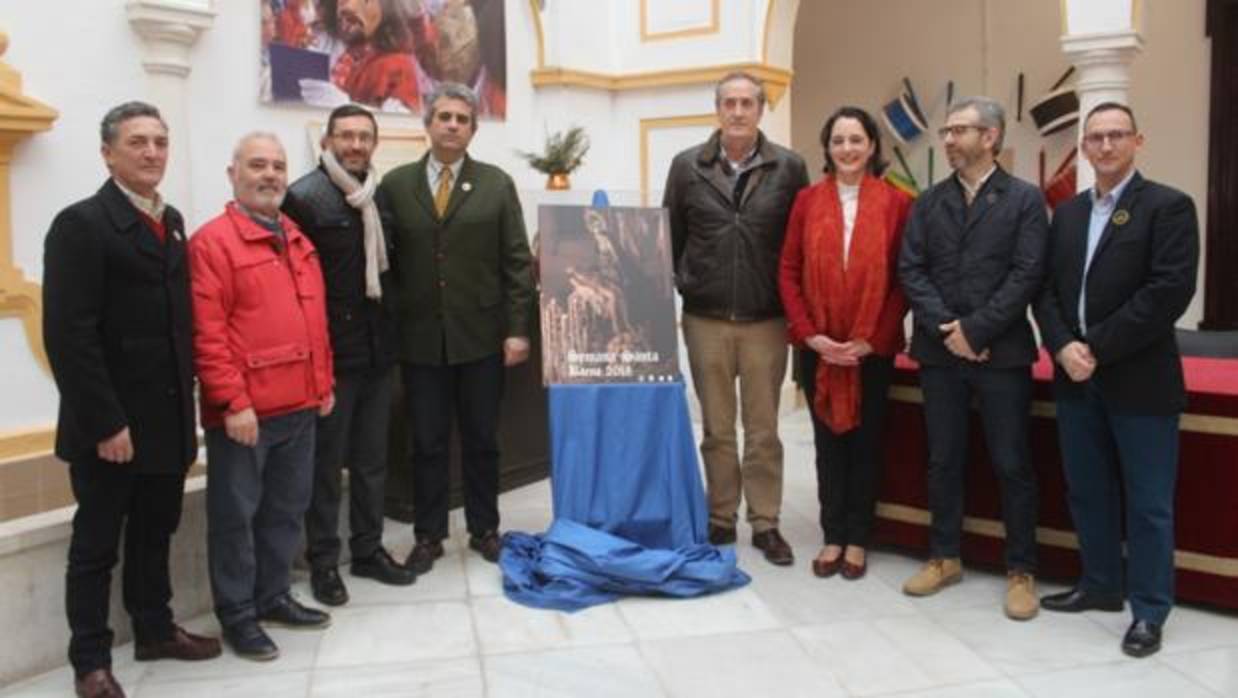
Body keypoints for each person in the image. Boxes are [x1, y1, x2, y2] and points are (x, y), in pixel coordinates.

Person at [43, 101, 222, 698]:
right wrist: (106, 421)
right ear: (107, 153)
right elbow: (69, 336)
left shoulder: (169, 220)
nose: (151, 153)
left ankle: (154, 628)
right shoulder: (81, 225)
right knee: (96, 546)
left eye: (160, 142)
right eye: (138, 142)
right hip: (111, 427)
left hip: (166, 420)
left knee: (156, 531)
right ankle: (90, 661)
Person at [1034, 102, 1199, 657]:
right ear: (1083, 147)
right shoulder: (1070, 214)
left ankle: (1149, 610)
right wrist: (1061, 345)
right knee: (1088, 491)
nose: (1105, 146)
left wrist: (1094, 347)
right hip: (1076, 379)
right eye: (1096, 138)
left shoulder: (1169, 208)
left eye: (1117, 136)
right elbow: (1047, 293)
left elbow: (1167, 293)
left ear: (1137, 141)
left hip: (1139, 381)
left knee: (1148, 503)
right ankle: (1101, 585)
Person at [897, 96, 1048, 620]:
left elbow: (1027, 273)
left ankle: (1021, 570)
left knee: (1011, 463)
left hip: (1002, 353)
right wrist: (950, 330)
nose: (948, 140)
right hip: (941, 355)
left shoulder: (1025, 200)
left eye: (958, 130)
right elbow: (912, 269)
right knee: (942, 460)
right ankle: (944, 557)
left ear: (990, 137)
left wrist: (978, 328)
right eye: (946, 131)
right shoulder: (928, 201)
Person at [190, 133, 336, 661]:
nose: (270, 175)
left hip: (301, 405)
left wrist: (323, 385)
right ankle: (238, 614)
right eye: (257, 165)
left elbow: (313, 321)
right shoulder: (212, 243)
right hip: (247, 414)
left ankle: (273, 595)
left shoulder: (297, 238)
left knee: (286, 511)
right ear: (233, 174)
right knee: (236, 518)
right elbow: (208, 333)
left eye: (277, 166)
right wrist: (232, 402)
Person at [379, 82, 534, 572]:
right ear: (428, 124)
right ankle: (429, 535)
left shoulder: (496, 184)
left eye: (461, 119)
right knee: (426, 441)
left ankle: (485, 529)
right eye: (443, 116)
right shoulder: (396, 185)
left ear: (472, 129)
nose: (451, 125)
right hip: (421, 340)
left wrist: (517, 329)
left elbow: (515, 262)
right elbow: (385, 265)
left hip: (483, 338)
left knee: (482, 438)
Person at [662, 71, 809, 565]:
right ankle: (720, 516)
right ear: (718, 109)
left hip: (767, 319)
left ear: (761, 110)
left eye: (748, 103)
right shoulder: (686, 167)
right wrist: (682, 283)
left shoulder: (789, 167)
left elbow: (801, 244)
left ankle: (765, 522)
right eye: (730, 102)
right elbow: (670, 237)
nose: (739, 111)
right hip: (705, 318)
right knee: (717, 428)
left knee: (764, 429)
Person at [282, 104, 414, 607]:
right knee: (325, 467)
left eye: (365, 137)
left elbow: (394, 273)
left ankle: (367, 549)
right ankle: (323, 563)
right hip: (331, 358)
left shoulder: (378, 198)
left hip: (378, 354)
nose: (356, 145)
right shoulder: (304, 197)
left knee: (372, 462)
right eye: (347, 136)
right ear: (327, 141)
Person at [778, 106, 912, 580]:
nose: (848, 149)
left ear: (872, 145)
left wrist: (870, 340)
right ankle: (832, 533)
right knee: (827, 445)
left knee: (866, 443)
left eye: (856, 140)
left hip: (869, 351)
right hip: (817, 347)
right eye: (838, 141)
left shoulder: (897, 203)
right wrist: (810, 334)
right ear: (827, 148)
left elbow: (903, 278)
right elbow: (789, 270)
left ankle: (858, 538)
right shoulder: (807, 201)